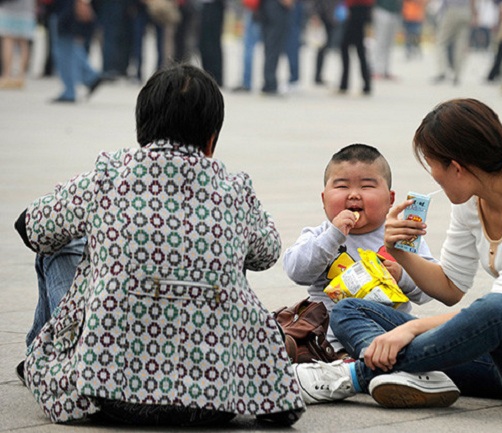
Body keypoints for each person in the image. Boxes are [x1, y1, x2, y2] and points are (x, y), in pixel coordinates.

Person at [15, 64, 305, 426]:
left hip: (106, 392)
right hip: (216, 400)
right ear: (212, 140)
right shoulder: (235, 189)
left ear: (142, 130)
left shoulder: (109, 175)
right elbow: (266, 253)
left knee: (58, 246)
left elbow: (31, 227)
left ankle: (46, 357)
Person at [294, 98, 502, 411]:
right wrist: (400, 252)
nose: (433, 178)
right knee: (348, 310)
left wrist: (410, 328)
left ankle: (357, 375)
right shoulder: (471, 200)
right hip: (495, 361)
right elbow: (450, 288)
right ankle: (413, 375)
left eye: (433, 166)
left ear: (455, 167)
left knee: (500, 307)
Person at [283, 144, 435, 353]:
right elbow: (297, 272)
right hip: (330, 341)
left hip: (389, 334)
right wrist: (333, 237)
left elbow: (429, 290)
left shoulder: (401, 236)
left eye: (367, 187)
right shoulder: (318, 236)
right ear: (324, 199)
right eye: (342, 186)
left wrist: (401, 276)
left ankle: (385, 363)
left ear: (390, 199)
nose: (354, 195)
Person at [48, 0, 103, 103]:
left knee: (64, 52)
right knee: (69, 48)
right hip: (64, 10)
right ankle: (91, 77)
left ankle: (70, 91)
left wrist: (83, 3)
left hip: (66, 11)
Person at [431, 0, 476, 86]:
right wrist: (474, 14)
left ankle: (442, 71)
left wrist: (440, 13)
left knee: (441, 42)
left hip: (452, 10)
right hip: (466, 11)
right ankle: (457, 75)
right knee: (461, 45)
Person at [339, 0, 374, 95]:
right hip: (357, 8)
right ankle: (365, 83)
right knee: (357, 48)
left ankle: (345, 84)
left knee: (349, 46)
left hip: (358, 8)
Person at [0, 0, 36, 89]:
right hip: (27, 10)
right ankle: (21, 76)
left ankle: (7, 75)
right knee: (24, 44)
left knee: (8, 41)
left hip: (9, 9)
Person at [372, 0, 403, 80]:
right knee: (380, 41)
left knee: (390, 43)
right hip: (382, 10)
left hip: (395, 12)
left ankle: (386, 70)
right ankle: (376, 70)